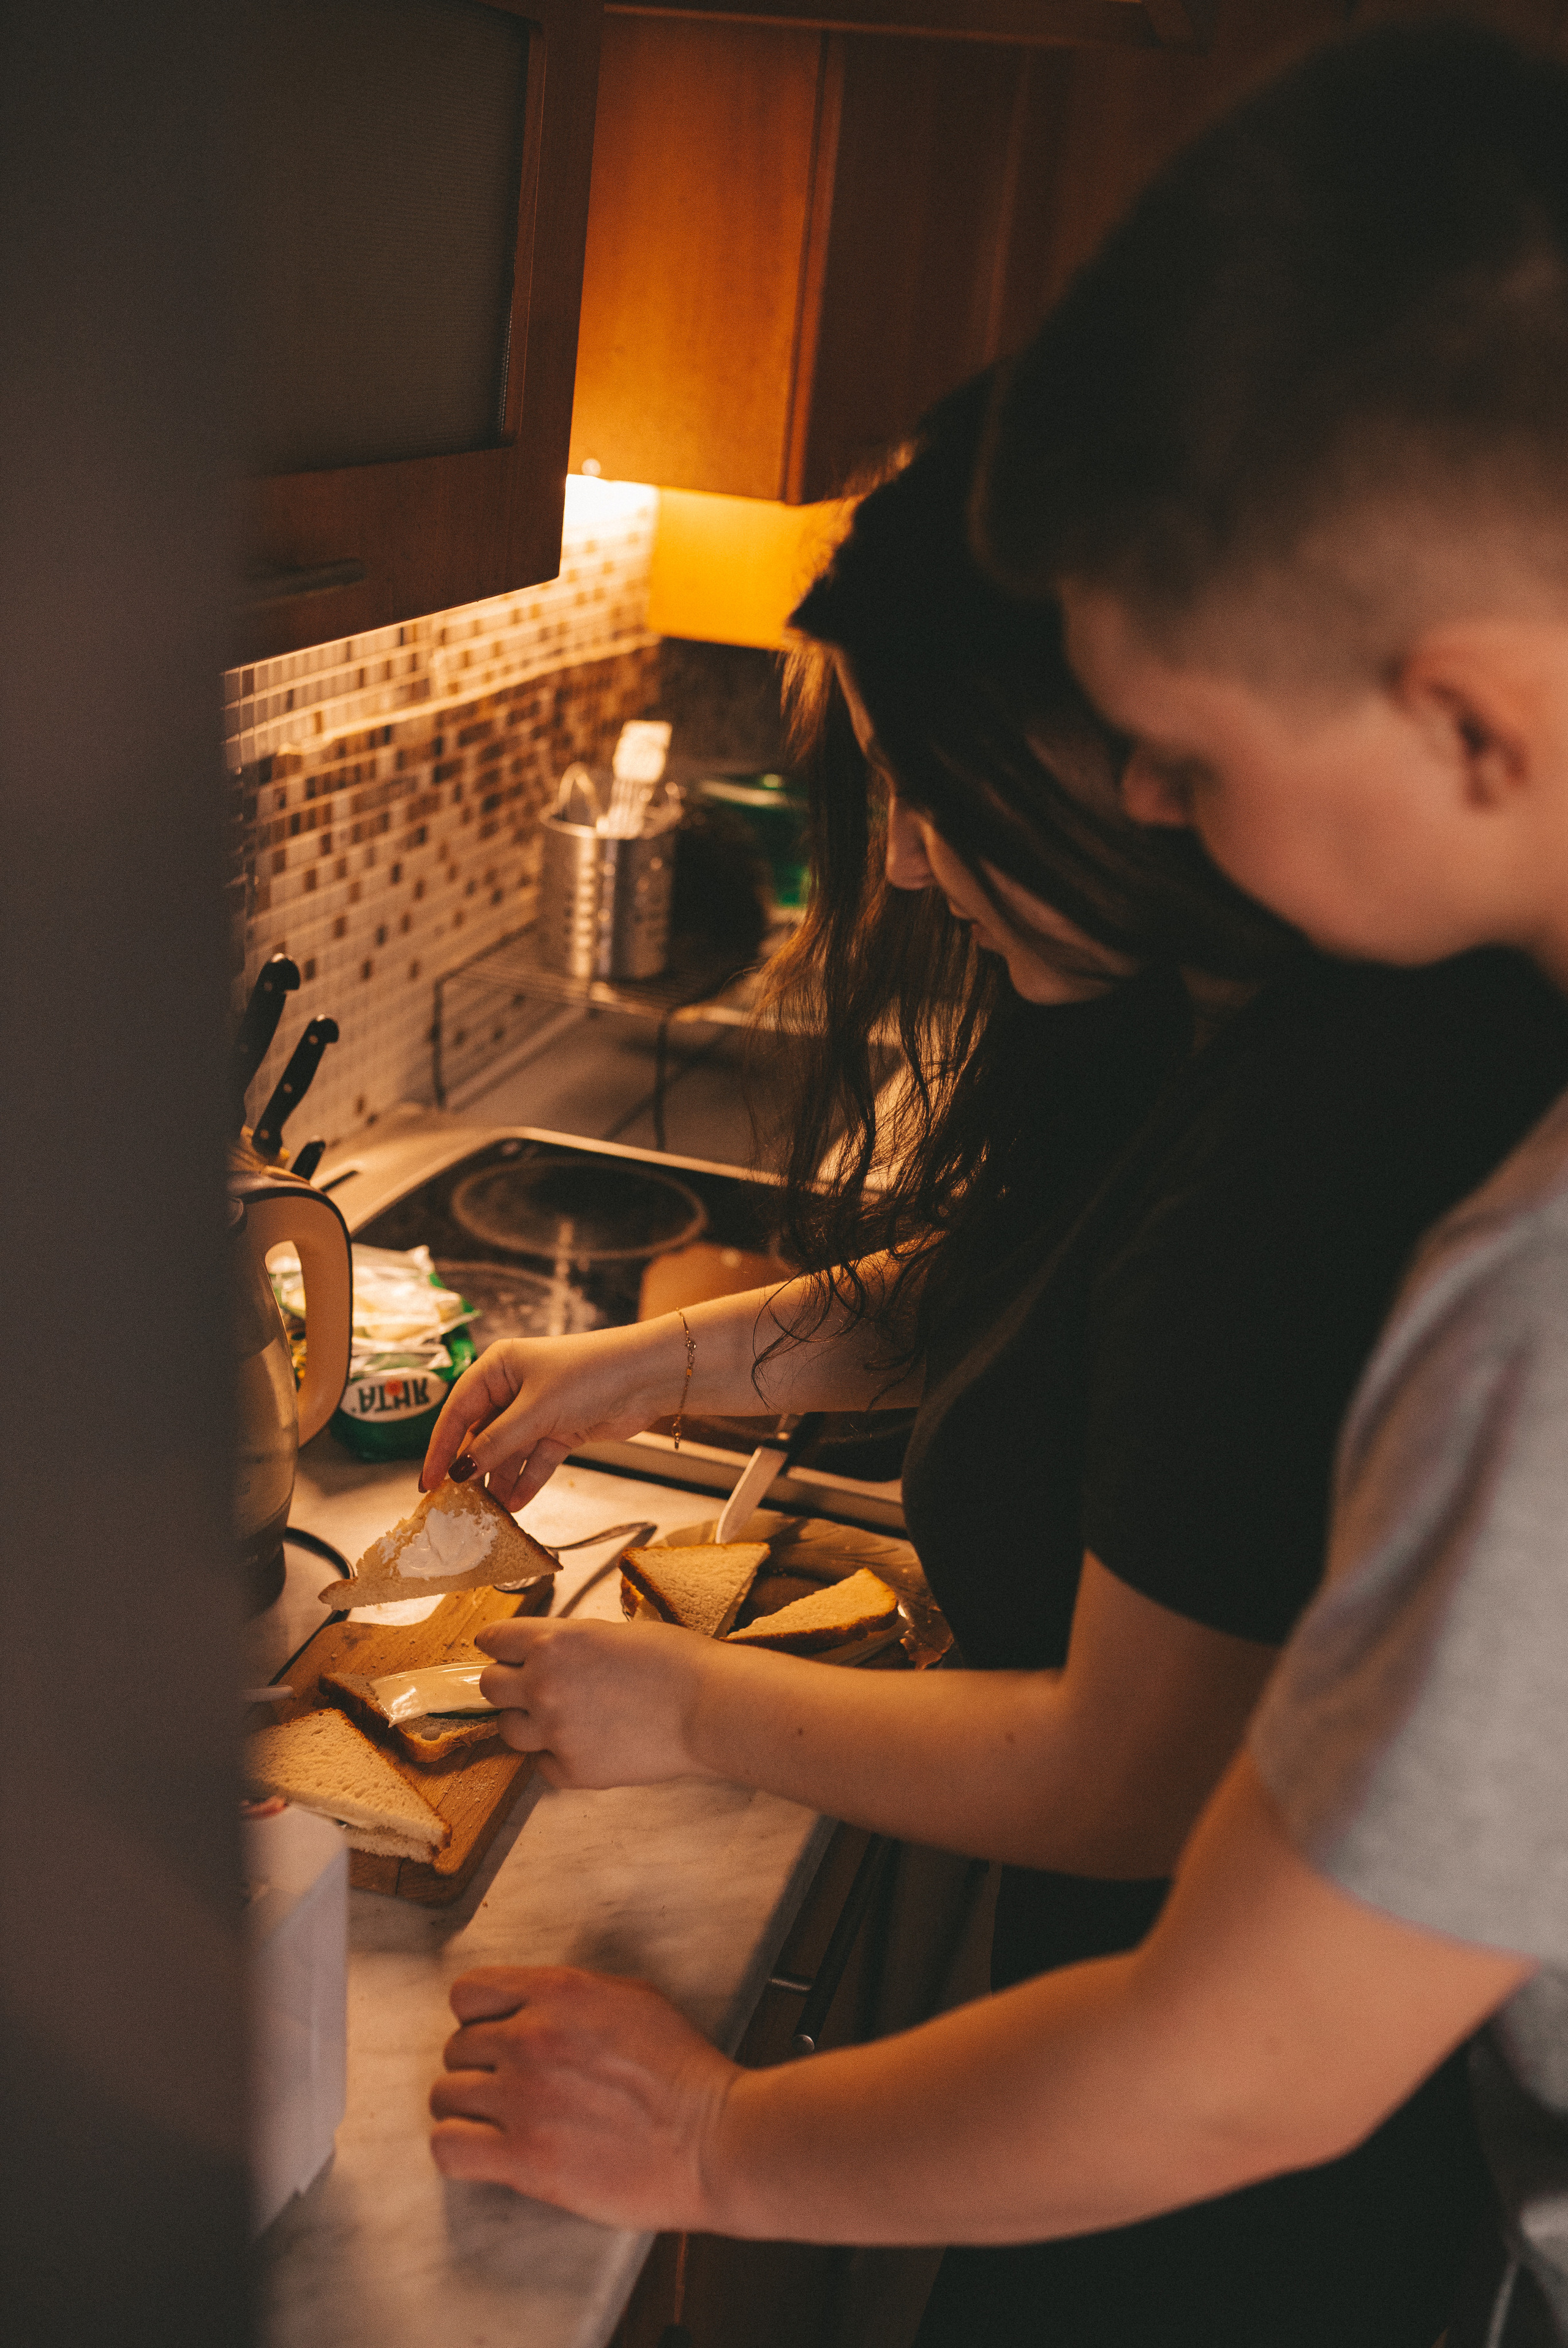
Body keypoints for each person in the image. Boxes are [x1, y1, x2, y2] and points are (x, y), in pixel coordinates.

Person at [423, 24, 1568, 2348]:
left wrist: (713, 2137)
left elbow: (1250, 2046)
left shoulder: (1503, 1259)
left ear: (1469, 719)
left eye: (1190, 752)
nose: (1145, 805)